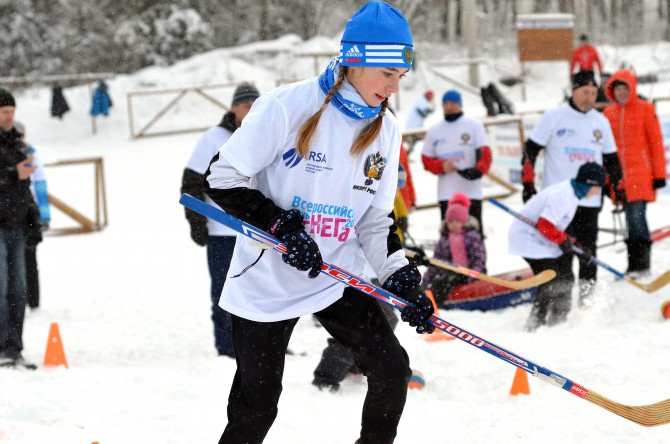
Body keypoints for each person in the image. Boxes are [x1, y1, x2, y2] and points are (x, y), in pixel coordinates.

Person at [201, 3, 434, 443]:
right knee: (257, 404)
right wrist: (280, 227)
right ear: (356, 59)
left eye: (400, 77)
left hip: (333, 275)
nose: (393, 87)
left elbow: (374, 219)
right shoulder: (287, 107)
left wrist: (400, 277)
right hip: (267, 278)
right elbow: (221, 177)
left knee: (391, 370)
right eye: (387, 73)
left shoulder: (386, 129)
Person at [520, 72, 624, 303]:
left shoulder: (600, 121)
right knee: (561, 253)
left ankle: (586, 304)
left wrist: (619, 187)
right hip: (558, 203)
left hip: (589, 201)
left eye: (593, 93)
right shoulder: (554, 117)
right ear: (573, 91)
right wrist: (527, 184)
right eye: (584, 92)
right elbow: (530, 151)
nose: (589, 98)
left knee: (588, 254)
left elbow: (612, 160)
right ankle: (560, 304)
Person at [180, 83, 260, 357]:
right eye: (246, 105)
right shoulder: (213, 138)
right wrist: (197, 222)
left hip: (257, 232)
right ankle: (228, 348)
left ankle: (262, 346)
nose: (250, 111)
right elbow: (190, 183)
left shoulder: (264, 134)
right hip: (221, 231)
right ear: (233, 108)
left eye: (254, 105)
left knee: (260, 291)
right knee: (225, 291)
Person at [509, 163, 605, 330]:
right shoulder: (562, 195)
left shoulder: (573, 194)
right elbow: (545, 225)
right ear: (589, 184)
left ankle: (558, 321)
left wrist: (577, 246)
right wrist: (563, 241)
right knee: (551, 278)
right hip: (529, 239)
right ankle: (535, 324)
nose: (598, 192)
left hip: (544, 239)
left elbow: (560, 226)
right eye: (598, 188)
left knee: (566, 277)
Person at [603, 69, 667, 278]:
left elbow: (656, 143)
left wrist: (659, 174)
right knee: (630, 221)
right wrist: (605, 179)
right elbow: (605, 148)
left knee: (636, 218)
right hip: (619, 177)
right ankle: (633, 265)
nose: (621, 92)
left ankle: (641, 265)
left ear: (632, 89)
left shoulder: (645, 109)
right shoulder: (608, 113)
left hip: (641, 174)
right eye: (617, 89)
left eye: (625, 88)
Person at [0, 88, 39, 370]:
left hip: (17, 227)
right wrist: (14, 174)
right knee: (1, 288)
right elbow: (14, 179)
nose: (9, 116)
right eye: (4, 112)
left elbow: (27, 189)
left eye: (12, 111)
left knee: (19, 290)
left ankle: (15, 348)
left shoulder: (19, 146)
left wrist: (34, 219)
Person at [421, 88, 493, 231]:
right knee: (448, 236)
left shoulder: (474, 125)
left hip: (471, 192)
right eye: (446, 103)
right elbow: (426, 159)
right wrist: (441, 166)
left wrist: (478, 170)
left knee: (474, 234)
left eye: (453, 103)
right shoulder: (434, 130)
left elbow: (485, 153)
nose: (449, 106)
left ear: (460, 104)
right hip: (447, 193)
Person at [420, 193, 486, 305]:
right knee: (438, 282)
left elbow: (479, 259)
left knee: (445, 283)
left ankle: (438, 304)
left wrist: (473, 275)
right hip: (449, 272)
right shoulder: (445, 239)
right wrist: (426, 281)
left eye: (458, 221)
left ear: (464, 222)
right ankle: (427, 301)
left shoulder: (472, 237)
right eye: (451, 222)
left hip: (468, 273)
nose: (454, 225)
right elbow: (437, 261)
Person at [14, 122, 51, 310]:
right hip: (13, 215)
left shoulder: (29, 155)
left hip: (28, 215)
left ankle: (33, 302)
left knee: (28, 260)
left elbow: (40, 186)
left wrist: (44, 216)